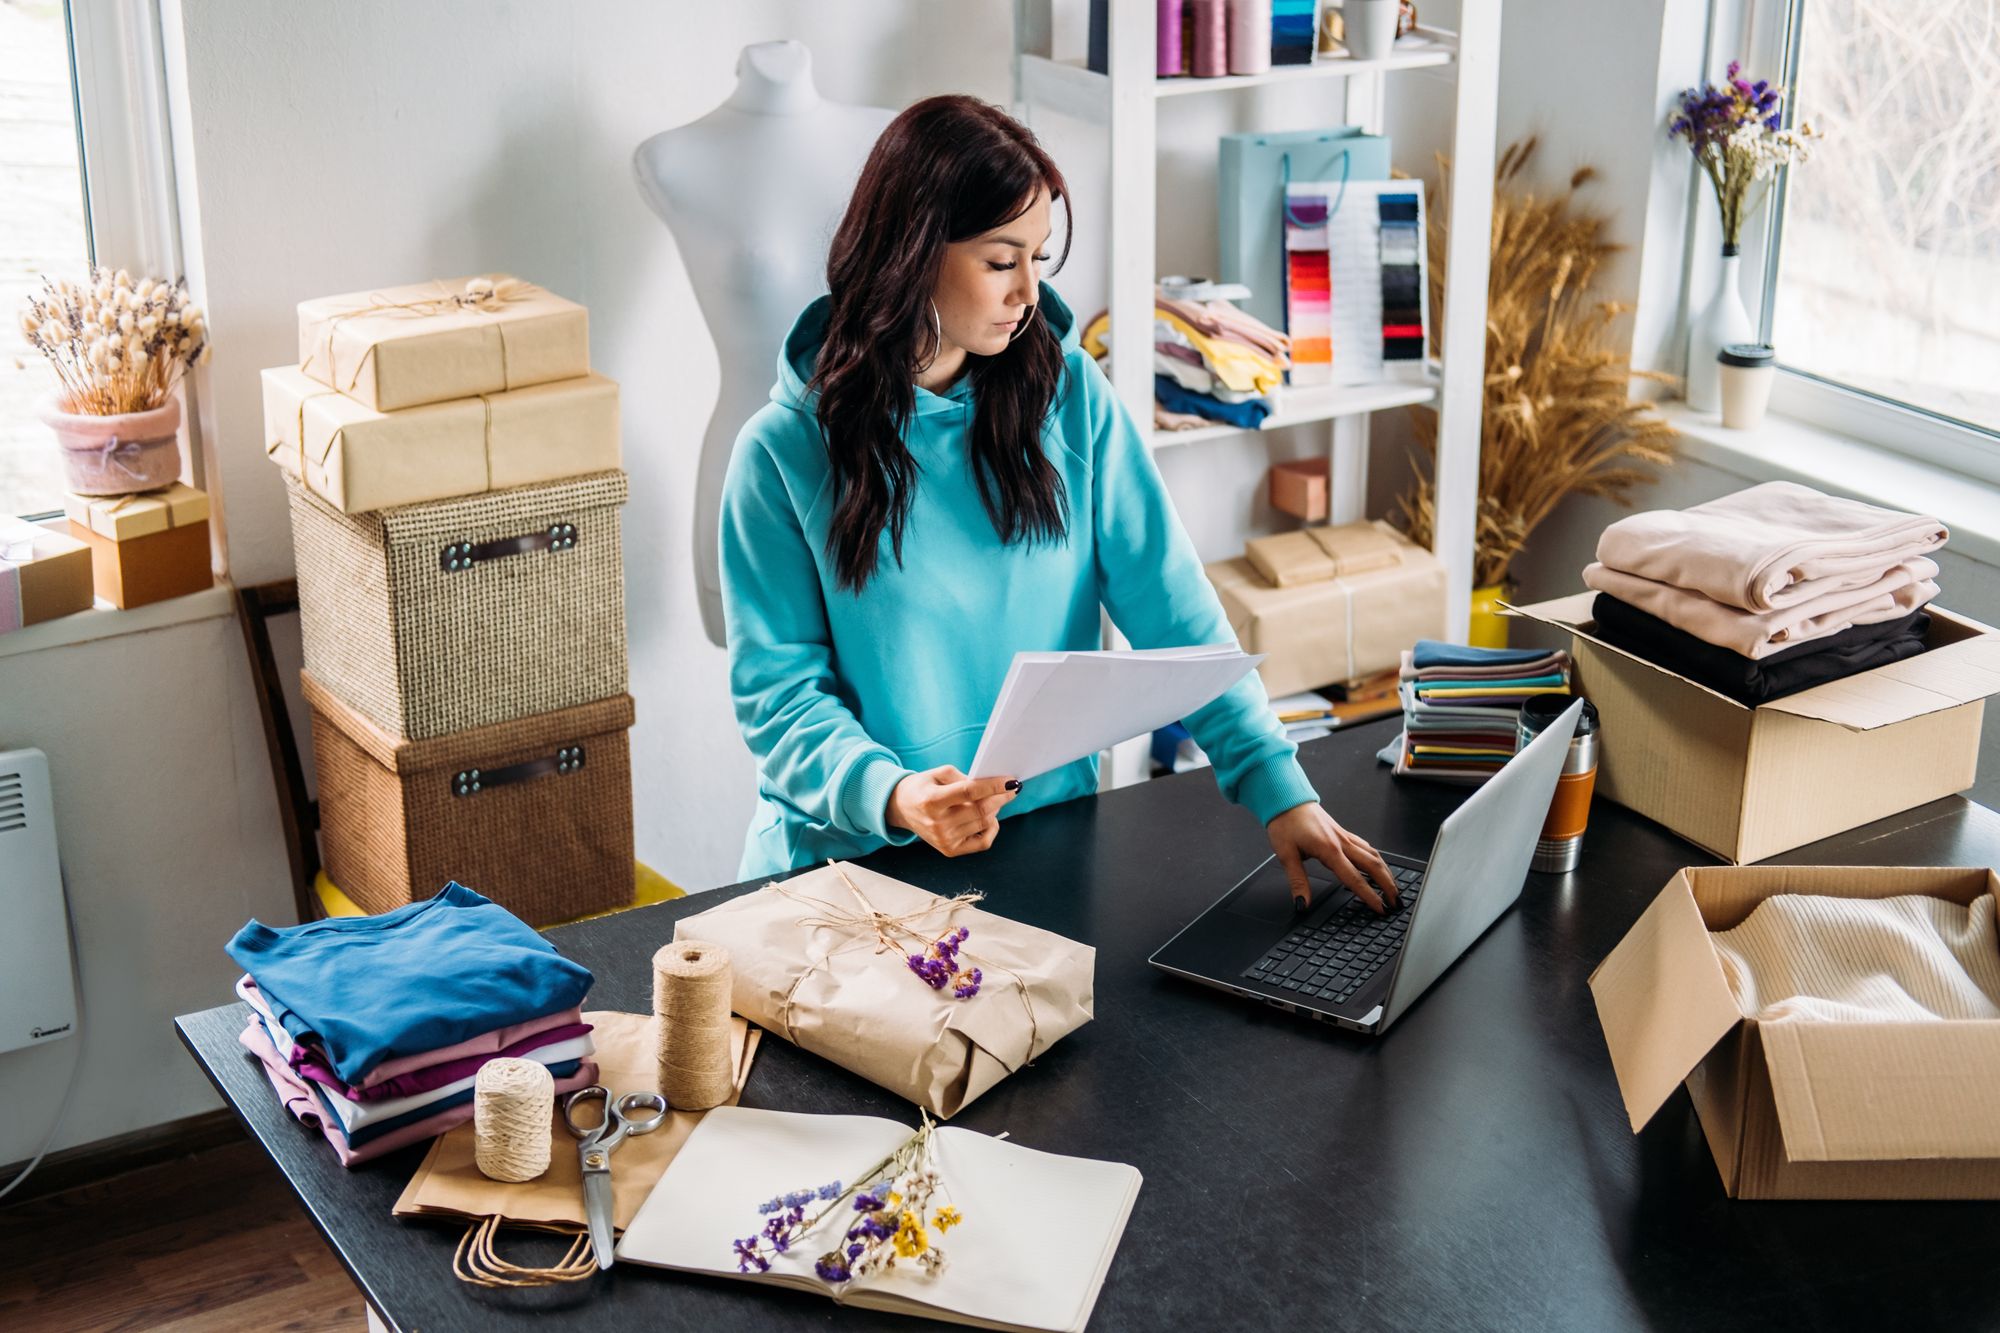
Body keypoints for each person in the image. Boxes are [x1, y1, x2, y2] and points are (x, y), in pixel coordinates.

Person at [719, 94, 1396, 912]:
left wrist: (1279, 788)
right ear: (911, 253)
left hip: (1043, 844)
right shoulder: (779, 454)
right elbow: (781, 698)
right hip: (850, 870)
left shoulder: (1071, 397)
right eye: (1003, 261)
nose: (1029, 292)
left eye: (1040, 258)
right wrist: (896, 795)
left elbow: (1175, 613)